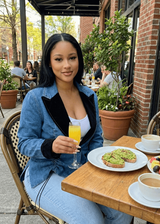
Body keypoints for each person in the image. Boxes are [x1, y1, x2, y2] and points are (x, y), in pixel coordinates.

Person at [18, 33, 133, 224]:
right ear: (49, 62)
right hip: (47, 173)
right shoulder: (36, 98)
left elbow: (96, 137)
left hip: (83, 170)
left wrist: (98, 165)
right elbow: (24, 143)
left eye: (72, 58)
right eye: (59, 59)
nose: (67, 65)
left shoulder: (89, 96)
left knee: (124, 209)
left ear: (79, 59)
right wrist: (50, 145)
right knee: (92, 220)